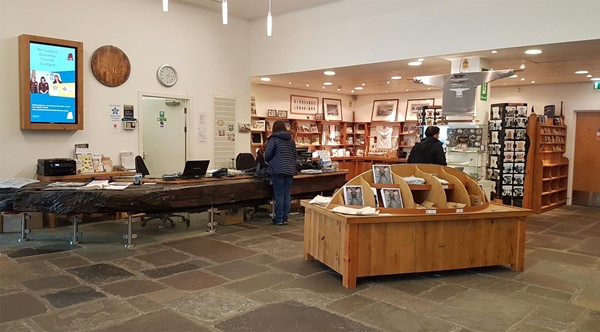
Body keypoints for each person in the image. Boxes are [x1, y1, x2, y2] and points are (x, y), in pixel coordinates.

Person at [264, 120, 297, 225]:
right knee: (287, 194)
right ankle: (285, 218)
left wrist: (270, 161)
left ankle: (279, 219)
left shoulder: (273, 139)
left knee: (279, 194)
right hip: (290, 169)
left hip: (277, 169)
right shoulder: (291, 140)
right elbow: (295, 156)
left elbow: (268, 154)